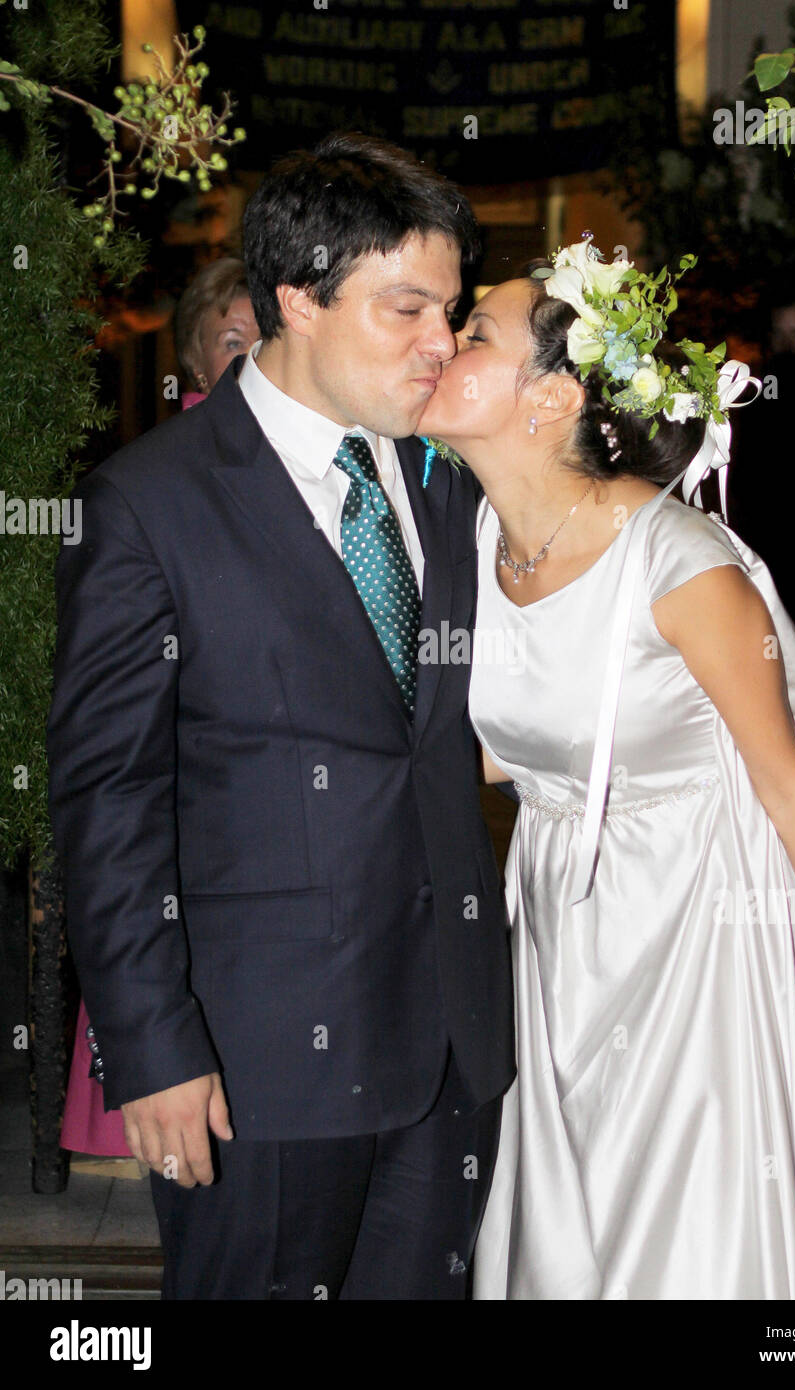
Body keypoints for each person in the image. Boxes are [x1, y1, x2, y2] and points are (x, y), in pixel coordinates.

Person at [417, 243, 795, 1299]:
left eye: (475, 334)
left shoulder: (680, 565)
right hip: (565, 943)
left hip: (708, 937)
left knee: (692, 1241)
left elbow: (793, 784)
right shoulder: (476, 541)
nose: (442, 343)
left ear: (551, 396)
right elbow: (490, 745)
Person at [46, 133, 514, 1300]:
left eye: (448, 310)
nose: (438, 344)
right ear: (298, 298)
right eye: (405, 308)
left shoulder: (448, 476)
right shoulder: (149, 505)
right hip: (256, 1065)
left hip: (451, 1043)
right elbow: (108, 804)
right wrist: (151, 1051)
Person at [60, 259, 260, 1166]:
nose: (252, 355)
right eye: (231, 341)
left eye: (264, 336)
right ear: (192, 363)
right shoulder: (157, 487)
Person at [173, 256, 259, 407]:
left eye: (266, 340)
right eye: (233, 344)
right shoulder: (194, 430)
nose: (255, 357)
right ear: (197, 363)